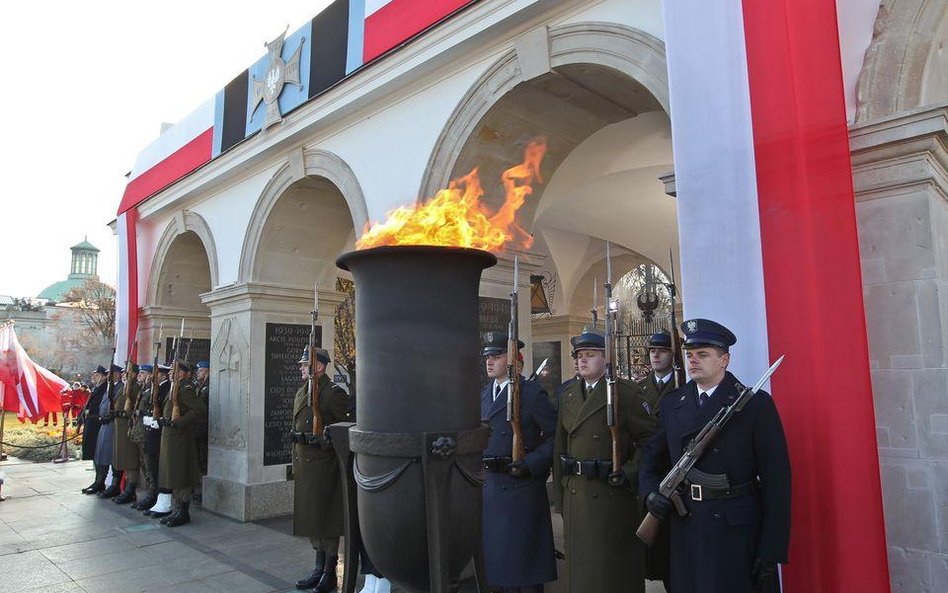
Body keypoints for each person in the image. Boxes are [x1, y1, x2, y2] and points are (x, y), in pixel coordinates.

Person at [639, 319, 791, 593]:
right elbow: (650, 458)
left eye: (703, 354)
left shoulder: (754, 405)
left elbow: (777, 481)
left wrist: (772, 548)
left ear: (725, 360)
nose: (693, 360)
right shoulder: (673, 403)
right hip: (687, 527)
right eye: (689, 355)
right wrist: (651, 493)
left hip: (736, 531)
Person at [552, 330, 658, 593]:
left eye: (590, 355)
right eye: (579, 355)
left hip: (611, 497)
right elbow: (559, 447)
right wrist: (560, 493)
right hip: (576, 494)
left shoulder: (626, 393)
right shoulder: (568, 394)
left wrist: (630, 472)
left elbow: (652, 441)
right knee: (582, 572)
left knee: (611, 574)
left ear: (605, 358)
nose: (582, 360)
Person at [480, 332, 557, 593]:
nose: (490, 362)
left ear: (512, 358)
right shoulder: (483, 395)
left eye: (497, 356)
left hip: (521, 487)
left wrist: (532, 463)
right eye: (488, 357)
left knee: (523, 566)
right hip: (491, 486)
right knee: (498, 565)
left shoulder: (531, 393)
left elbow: (555, 436)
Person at [291, 346, 351, 592]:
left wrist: (322, 440)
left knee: (326, 520)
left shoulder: (333, 393)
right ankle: (318, 569)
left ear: (319, 366)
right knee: (313, 521)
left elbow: (342, 429)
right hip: (305, 465)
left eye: (306, 365)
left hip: (324, 466)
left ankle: (329, 572)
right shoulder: (304, 391)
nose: (301, 368)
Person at [156, 361, 207, 527]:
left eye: (175, 371)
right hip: (171, 437)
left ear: (184, 374)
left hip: (181, 438)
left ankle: (183, 511)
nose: (171, 373)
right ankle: (177, 508)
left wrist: (180, 422)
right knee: (173, 473)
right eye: (171, 371)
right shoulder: (174, 388)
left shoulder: (185, 389)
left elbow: (199, 410)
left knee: (181, 473)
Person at [112, 363, 142, 504]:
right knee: (124, 459)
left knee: (131, 459)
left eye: (128, 373)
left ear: (134, 374)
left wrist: (126, 413)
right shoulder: (124, 386)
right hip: (120, 426)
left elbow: (135, 406)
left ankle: (131, 490)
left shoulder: (135, 387)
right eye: (124, 373)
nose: (124, 375)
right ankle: (126, 489)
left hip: (129, 425)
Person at [637, 330, 685, 415]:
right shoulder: (638, 389)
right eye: (652, 351)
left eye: (662, 351)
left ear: (673, 355)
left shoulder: (683, 385)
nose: (656, 355)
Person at [96, 364, 124, 499]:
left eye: (112, 374)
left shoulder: (121, 387)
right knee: (102, 453)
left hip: (113, 424)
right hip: (105, 424)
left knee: (113, 455)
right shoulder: (109, 387)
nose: (109, 376)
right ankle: (99, 482)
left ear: (118, 374)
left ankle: (115, 485)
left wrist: (109, 415)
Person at [130, 364, 155, 511]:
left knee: (148, 463)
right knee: (143, 463)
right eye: (139, 372)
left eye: (143, 373)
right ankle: (148, 491)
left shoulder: (150, 389)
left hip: (145, 432)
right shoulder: (142, 389)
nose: (139, 375)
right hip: (139, 431)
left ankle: (152, 493)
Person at [80, 365, 108, 494]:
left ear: (103, 376)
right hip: (91, 422)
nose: (93, 377)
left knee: (98, 453)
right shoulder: (96, 388)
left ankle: (100, 481)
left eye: (96, 375)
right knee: (93, 453)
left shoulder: (104, 388)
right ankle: (97, 480)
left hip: (97, 423)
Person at [194, 361, 210, 478]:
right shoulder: (200, 385)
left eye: (201, 371)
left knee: (204, 456)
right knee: (199, 455)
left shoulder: (208, 386)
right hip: (198, 426)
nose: (198, 373)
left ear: (208, 371)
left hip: (204, 426)